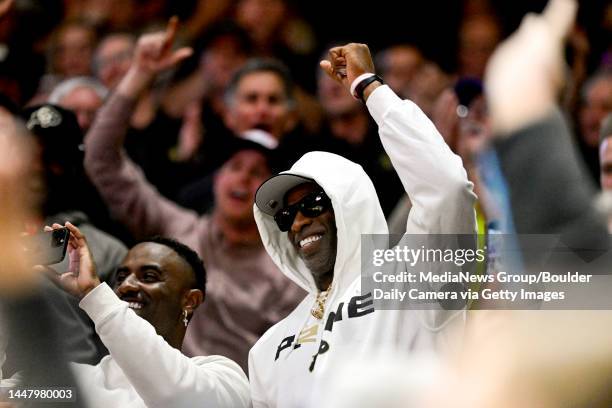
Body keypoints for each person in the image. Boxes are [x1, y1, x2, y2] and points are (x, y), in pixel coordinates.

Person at [249, 42, 476, 407]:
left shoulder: (412, 279)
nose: (299, 222)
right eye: (287, 215)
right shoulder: (265, 350)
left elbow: (447, 188)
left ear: (348, 202)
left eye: (314, 203)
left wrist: (370, 89)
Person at [84, 18, 303, 371]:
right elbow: (101, 160)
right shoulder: (179, 228)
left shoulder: (290, 268)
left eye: (257, 173)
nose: (243, 180)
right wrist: (139, 74)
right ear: (216, 176)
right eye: (234, 167)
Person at [45, 222, 250, 407]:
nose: (126, 285)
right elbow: (23, 391)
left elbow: (177, 397)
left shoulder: (225, 378)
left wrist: (94, 293)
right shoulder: (76, 384)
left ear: (190, 300)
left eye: (149, 276)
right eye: (121, 277)